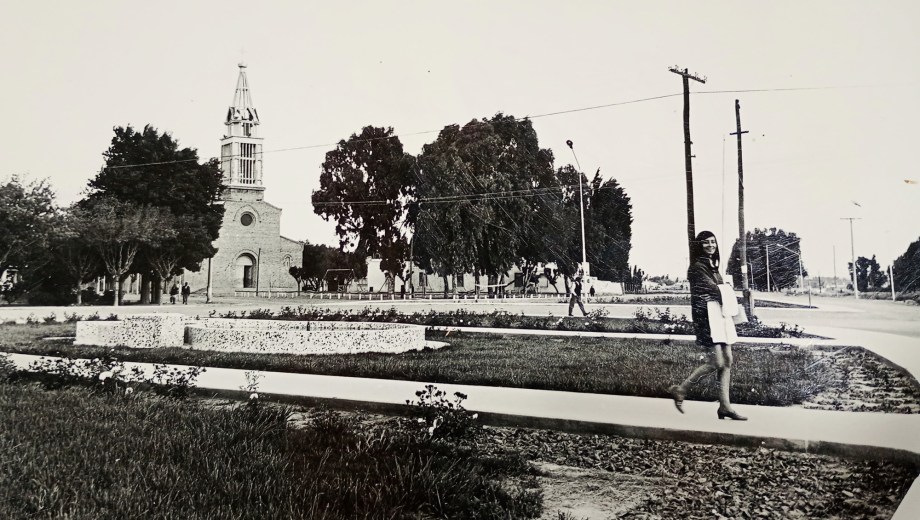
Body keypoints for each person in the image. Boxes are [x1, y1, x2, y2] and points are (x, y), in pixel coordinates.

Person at [668, 231, 747, 421]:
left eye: (713, 242)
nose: (711, 245)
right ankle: (681, 389)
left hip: (719, 316)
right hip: (707, 318)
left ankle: (725, 407)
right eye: (706, 242)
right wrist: (728, 290)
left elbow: (720, 290)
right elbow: (714, 289)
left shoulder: (712, 266)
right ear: (699, 245)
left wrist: (725, 290)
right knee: (716, 362)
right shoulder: (697, 267)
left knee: (727, 360)